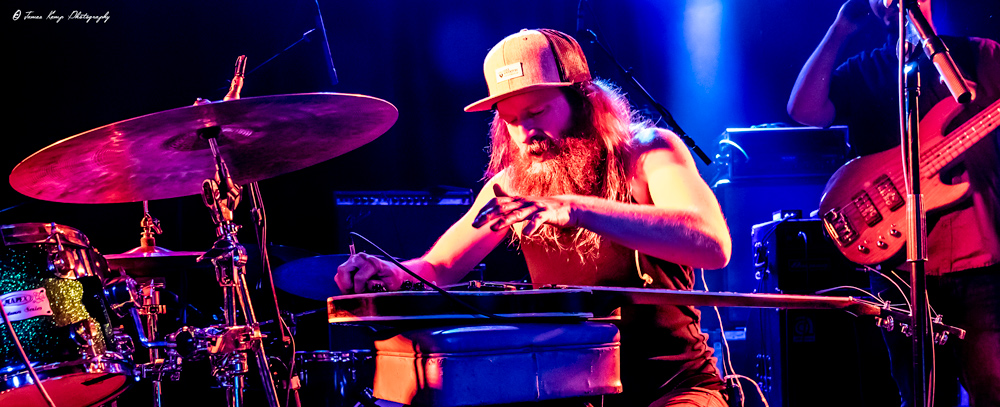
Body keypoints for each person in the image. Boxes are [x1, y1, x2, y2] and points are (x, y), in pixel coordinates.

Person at [335, 28, 732, 407]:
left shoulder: (647, 154)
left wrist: (575, 208)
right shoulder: (511, 186)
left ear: (583, 101)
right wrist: (395, 275)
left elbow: (713, 244)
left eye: (536, 111)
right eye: (510, 119)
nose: (525, 132)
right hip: (572, 392)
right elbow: (440, 267)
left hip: (675, 389)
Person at [787, 1, 1000, 406]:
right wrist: (840, 28)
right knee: (922, 397)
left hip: (981, 266)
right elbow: (803, 110)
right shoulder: (865, 70)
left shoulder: (978, 56)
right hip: (899, 270)